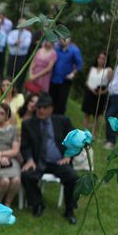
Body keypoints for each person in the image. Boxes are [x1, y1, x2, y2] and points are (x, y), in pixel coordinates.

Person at [20, 93, 77, 224]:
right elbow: (25, 145)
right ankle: (37, 203)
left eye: (44, 108)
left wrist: (68, 155)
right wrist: (29, 159)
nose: (40, 110)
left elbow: (75, 139)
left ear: (51, 109)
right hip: (38, 162)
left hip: (58, 162)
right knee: (26, 175)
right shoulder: (28, 124)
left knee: (73, 177)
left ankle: (69, 209)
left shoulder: (62, 121)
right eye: (39, 107)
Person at [49, 37, 83, 115]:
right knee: (52, 99)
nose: (63, 40)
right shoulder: (56, 49)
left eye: (66, 38)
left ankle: (58, 120)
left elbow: (79, 65)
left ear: (70, 39)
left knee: (61, 102)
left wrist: (73, 73)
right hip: (54, 78)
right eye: (61, 38)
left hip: (65, 80)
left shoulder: (74, 50)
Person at [82, 51, 113, 129]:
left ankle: (93, 134)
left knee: (96, 115)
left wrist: (103, 92)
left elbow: (111, 84)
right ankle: (85, 132)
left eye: (103, 58)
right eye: (99, 58)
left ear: (106, 60)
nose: (101, 60)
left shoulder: (108, 70)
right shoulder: (92, 68)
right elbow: (87, 81)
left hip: (100, 93)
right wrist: (91, 89)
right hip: (90, 91)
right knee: (86, 113)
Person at [6, 21, 32, 91]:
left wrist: (19, 44)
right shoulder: (13, 32)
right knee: (10, 72)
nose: (21, 25)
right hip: (12, 55)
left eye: (23, 24)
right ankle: (7, 88)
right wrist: (15, 42)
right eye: (20, 23)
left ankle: (17, 89)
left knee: (19, 73)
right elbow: (9, 41)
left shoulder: (28, 34)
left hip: (21, 56)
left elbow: (26, 44)